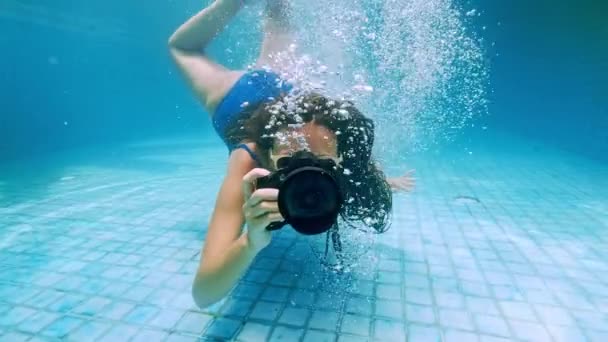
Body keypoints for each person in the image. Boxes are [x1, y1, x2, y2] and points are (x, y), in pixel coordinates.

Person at [168, 0, 415, 308]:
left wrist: (381, 180)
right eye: (288, 163)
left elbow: (354, 168)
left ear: (340, 160)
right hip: (237, 99)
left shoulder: (337, 148)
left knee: (278, 15)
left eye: (323, 163)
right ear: (268, 154)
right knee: (181, 48)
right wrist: (249, 242)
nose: (307, 174)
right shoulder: (247, 160)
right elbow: (204, 294)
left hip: (285, 85)